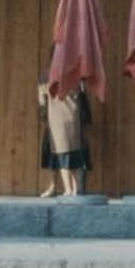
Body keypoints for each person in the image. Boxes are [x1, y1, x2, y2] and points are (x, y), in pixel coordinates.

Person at [37, 50, 93, 198]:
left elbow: (42, 102)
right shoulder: (77, 75)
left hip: (56, 121)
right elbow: (83, 97)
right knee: (74, 155)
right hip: (74, 120)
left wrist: (44, 119)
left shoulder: (45, 76)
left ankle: (68, 189)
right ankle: (75, 189)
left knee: (61, 155)